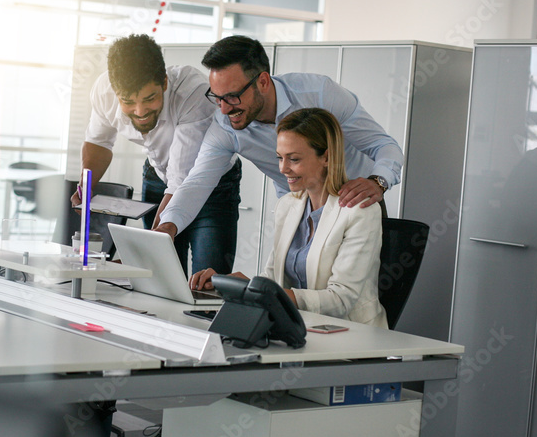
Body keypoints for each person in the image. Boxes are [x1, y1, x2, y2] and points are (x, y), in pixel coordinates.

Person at [155, 35, 403, 242]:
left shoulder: (319, 93)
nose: (223, 109)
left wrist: (378, 182)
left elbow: (384, 146)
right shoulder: (225, 126)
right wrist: (169, 226)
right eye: (217, 97)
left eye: (232, 96)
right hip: (297, 210)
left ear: (262, 81)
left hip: (354, 203)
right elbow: (197, 182)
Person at [190, 107, 387, 328]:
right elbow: (274, 278)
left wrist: (258, 290)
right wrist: (232, 284)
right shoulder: (288, 205)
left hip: (350, 334)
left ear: (327, 157)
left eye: (293, 159)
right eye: (280, 158)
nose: (283, 169)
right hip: (299, 326)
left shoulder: (359, 211)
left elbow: (340, 300)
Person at [73, 34, 241, 275]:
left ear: (163, 82)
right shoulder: (104, 91)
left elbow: (181, 180)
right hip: (157, 175)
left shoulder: (194, 92)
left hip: (213, 186)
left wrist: (147, 249)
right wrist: (85, 186)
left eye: (149, 99)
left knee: (207, 279)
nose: (139, 111)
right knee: (161, 273)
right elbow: (98, 142)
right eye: (128, 102)